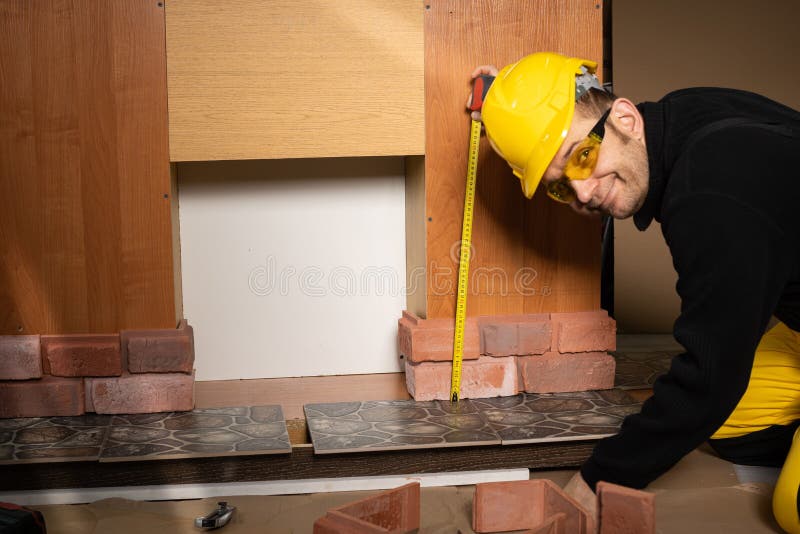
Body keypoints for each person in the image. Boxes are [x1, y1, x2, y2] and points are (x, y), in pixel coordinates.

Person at [470, 52, 800, 532]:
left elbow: (708, 381)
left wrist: (595, 482)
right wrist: (504, 99)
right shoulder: (677, 119)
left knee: (792, 508)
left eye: (582, 157)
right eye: (561, 187)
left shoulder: (711, 193)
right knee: (726, 425)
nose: (582, 195)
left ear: (624, 118)